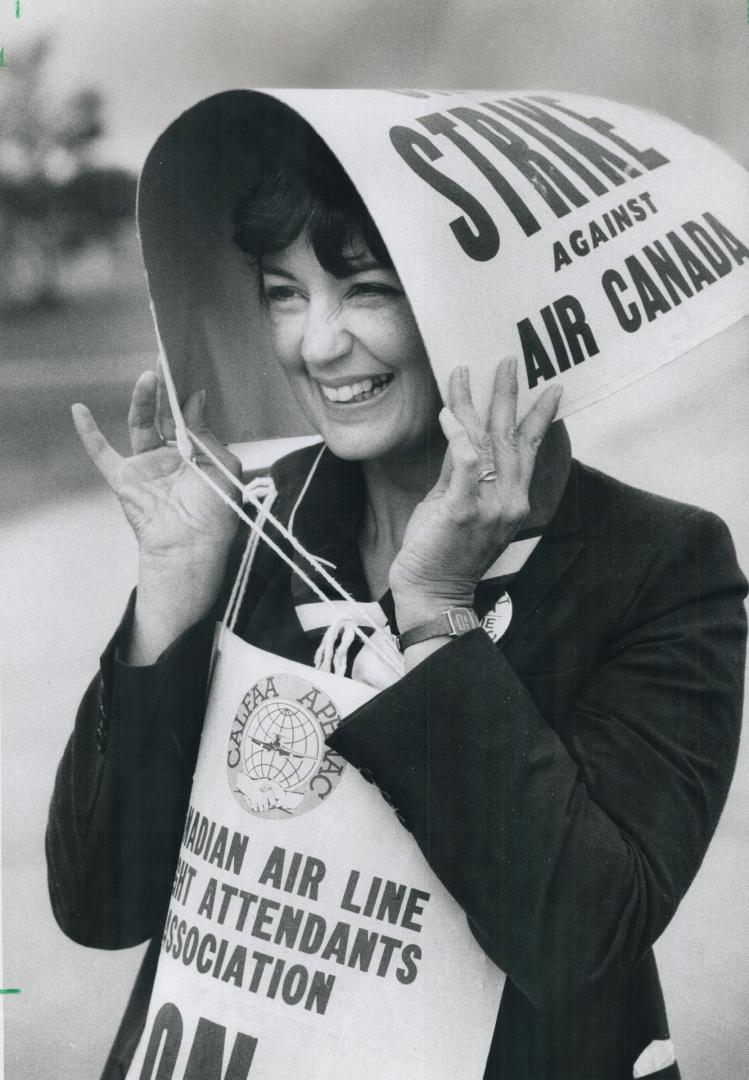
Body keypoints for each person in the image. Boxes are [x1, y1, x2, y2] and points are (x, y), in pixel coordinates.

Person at [47, 113, 747, 1080]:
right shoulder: (249, 519)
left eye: (367, 291)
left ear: (488, 310)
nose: (317, 344)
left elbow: (578, 939)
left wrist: (436, 608)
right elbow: (101, 903)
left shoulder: (658, 563)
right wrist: (170, 593)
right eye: (283, 294)